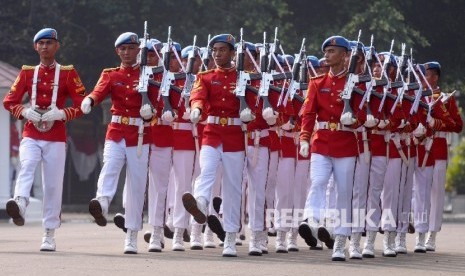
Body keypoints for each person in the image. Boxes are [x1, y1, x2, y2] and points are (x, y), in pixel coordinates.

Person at [3, 28, 86, 251]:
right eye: (41, 43)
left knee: (52, 184)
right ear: (35, 47)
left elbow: (82, 104)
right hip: (31, 131)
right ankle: (20, 202)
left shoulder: (68, 73)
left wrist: (62, 113)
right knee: (26, 165)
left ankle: (49, 233)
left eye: (49, 43)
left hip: (56, 136)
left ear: (57, 46)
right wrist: (24, 111)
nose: (45, 47)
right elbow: (9, 101)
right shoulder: (27, 72)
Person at [80, 32, 157, 254]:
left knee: (136, 183)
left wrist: (150, 111)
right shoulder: (111, 74)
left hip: (140, 134)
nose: (126, 52)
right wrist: (90, 100)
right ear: (117, 51)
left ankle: (132, 235)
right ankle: (102, 202)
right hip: (116, 131)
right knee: (110, 166)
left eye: (131, 48)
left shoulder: (149, 75)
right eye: (123, 49)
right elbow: (99, 91)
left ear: (138, 51)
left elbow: (160, 104)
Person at [182, 34, 251, 257]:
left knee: (232, 187)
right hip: (212, 133)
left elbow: (256, 102)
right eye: (214, 50)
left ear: (233, 53)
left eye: (222, 50)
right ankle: (200, 204)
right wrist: (197, 108)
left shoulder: (245, 78)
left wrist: (250, 112)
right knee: (206, 171)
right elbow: (198, 95)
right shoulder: (206, 76)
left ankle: (230, 237)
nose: (217, 54)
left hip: (234, 135)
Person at [299, 36, 360, 261]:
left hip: (345, 143)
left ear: (345, 56)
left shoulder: (356, 83)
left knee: (343, 193)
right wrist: (305, 138)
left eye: (332, 51)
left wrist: (353, 119)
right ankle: (312, 219)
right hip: (321, 141)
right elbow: (308, 113)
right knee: (317, 181)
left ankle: (340, 240)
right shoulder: (317, 83)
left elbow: (364, 115)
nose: (327, 55)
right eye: (326, 51)